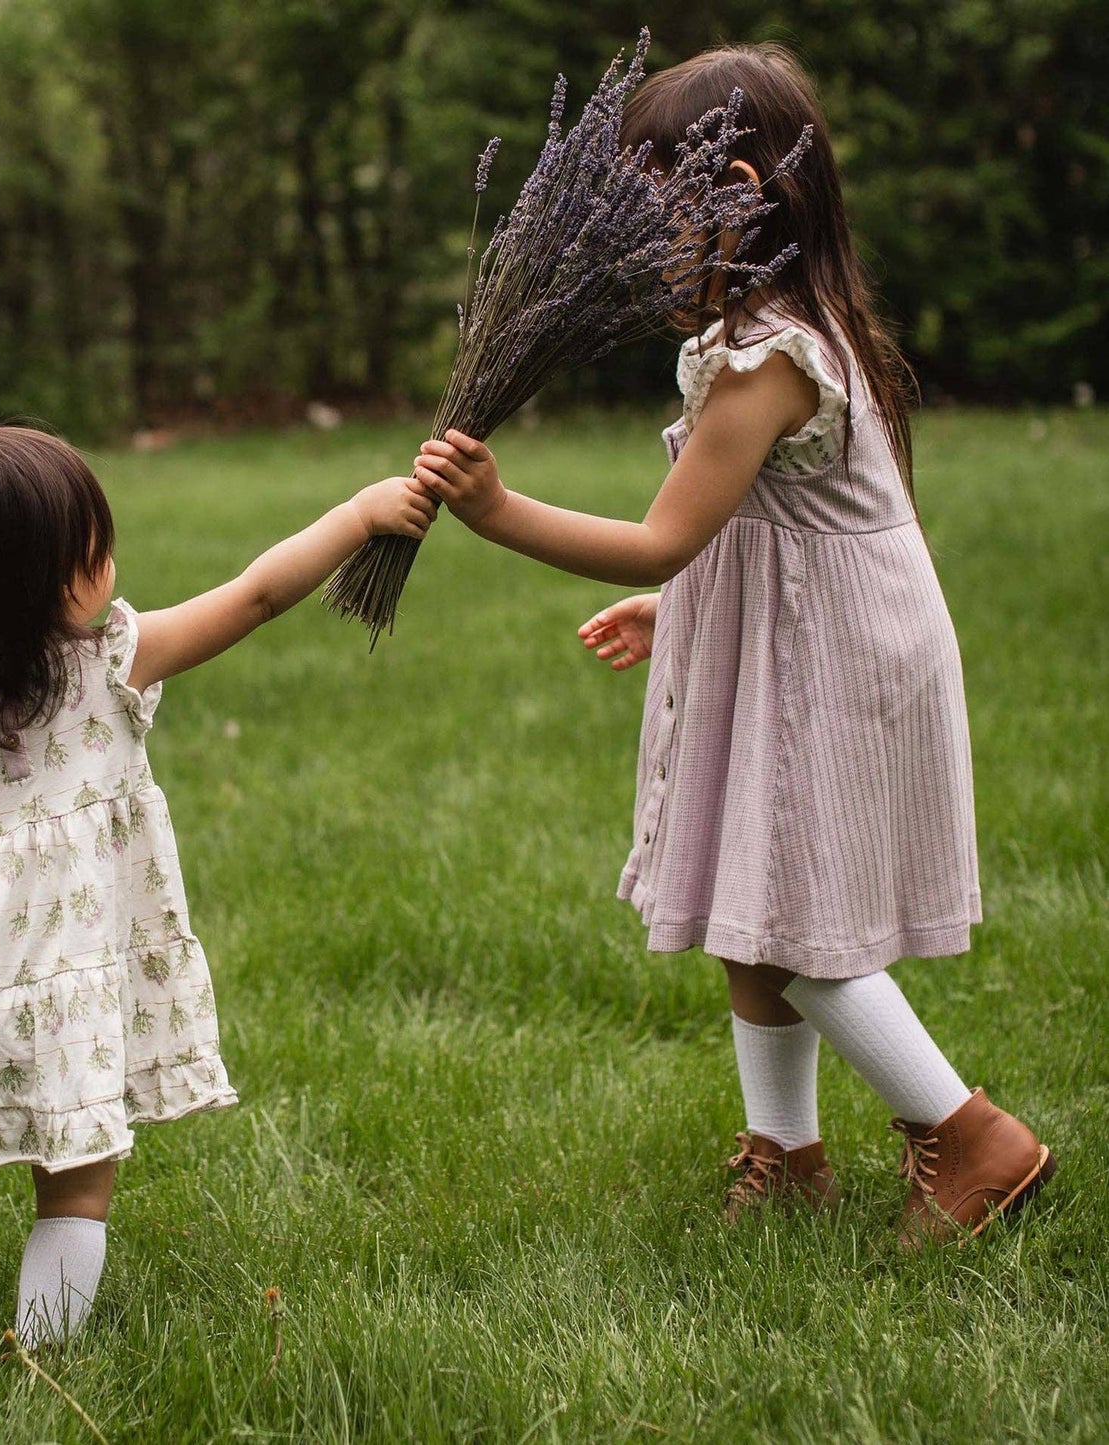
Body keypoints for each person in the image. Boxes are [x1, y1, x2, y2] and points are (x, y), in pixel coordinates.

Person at [413, 44, 1054, 1244]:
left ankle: (971, 1138)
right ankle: (790, 1150)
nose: (628, 254)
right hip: (798, 637)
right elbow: (753, 530)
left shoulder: (771, 361)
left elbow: (662, 536)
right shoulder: (753, 332)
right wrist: (687, 611)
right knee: (751, 915)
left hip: (840, 661)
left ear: (741, 191)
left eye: (649, 225)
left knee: (799, 924)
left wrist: (497, 513)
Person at [0, 426, 435, 1358]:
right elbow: (258, 593)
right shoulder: (114, 665)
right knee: (74, 1184)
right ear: (55, 581)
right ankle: (43, 1357)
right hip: (72, 992)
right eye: (91, 546)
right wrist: (357, 514)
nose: (109, 555)